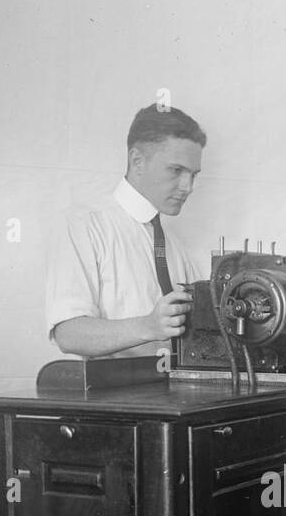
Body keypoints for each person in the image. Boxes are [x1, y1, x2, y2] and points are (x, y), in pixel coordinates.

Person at [46, 103, 206, 358]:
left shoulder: (175, 246)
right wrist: (148, 326)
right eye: (176, 170)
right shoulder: (83, 225)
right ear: (137, 161)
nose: (187, 187)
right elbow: (68, 332)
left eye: (193, 175)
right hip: (109, 395)